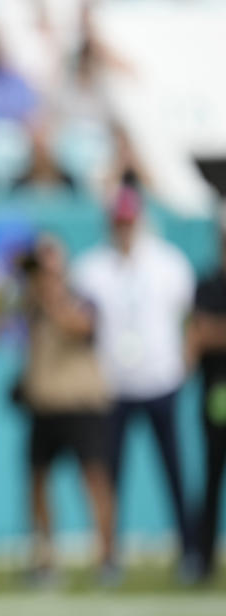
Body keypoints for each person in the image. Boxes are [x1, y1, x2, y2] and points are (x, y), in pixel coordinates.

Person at [72, 183, 196, 578]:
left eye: (129, 221)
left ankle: (190, 550)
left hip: (161, 380)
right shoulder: (91, 268)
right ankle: (110, 556)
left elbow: (186, 317)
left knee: (173, 470)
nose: (124, 228)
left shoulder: (169, 263)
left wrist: (182, 363)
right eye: (118, 221)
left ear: (139, 221)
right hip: (113, 385)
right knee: (111, 476)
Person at [15, 235, 115, 584]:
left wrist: (50, 298)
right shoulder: (31, 306)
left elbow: (80, 327)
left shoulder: (81, 298)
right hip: (44, 406)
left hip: (81, 405)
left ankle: (106, 558)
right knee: (37, 484)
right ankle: (45, 560)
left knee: (95, 480)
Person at [187, 204, 226, 582]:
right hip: (216, 394)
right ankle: (202, 560)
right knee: (212, 476)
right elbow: (200, 335)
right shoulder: (208, 284)